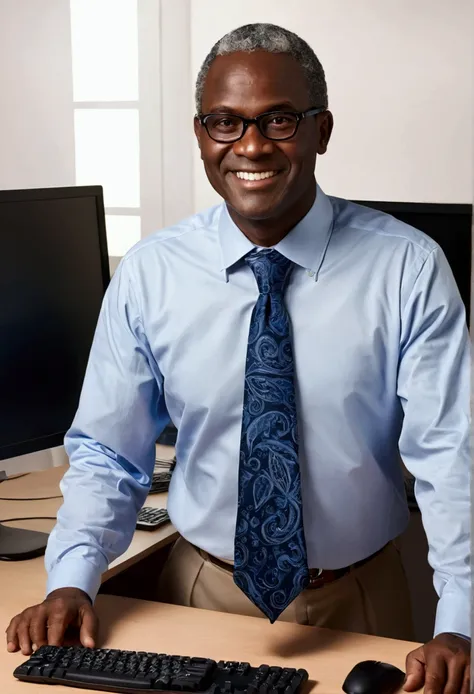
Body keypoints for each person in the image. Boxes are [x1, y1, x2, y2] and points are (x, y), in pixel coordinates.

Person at [6, 22, 470, 694]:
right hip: (197, 589)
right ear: (201, 136)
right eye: (225, 122)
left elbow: (451, 456)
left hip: (361, 598)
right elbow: (111, 452)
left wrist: (459, 620)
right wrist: (72, 579)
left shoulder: (408, 269)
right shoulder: (151, 275)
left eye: (279, 119)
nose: (250, 145)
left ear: (322, 130)